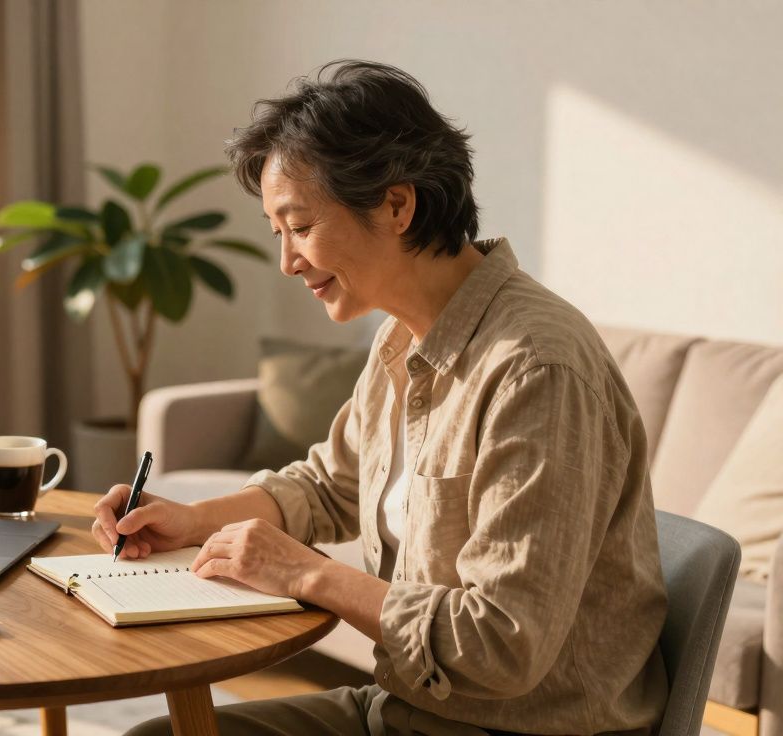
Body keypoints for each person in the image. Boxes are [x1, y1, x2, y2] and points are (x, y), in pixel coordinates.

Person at [94, 60, 668, 735]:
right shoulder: (402, 339)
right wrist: (195, 521)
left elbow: (503, 643)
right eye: (276, 233)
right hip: (408, 709)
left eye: (301, 227)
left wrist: (308, 574)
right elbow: (331, 485)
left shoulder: (536, 370)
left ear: (397, 205)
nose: (288, 262)